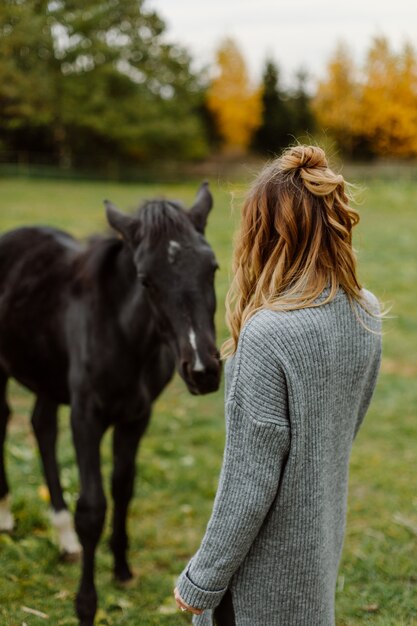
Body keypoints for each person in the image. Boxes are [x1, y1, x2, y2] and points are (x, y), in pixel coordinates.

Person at [173, 145, 382, 626]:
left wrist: (201, 579)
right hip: (318, 551)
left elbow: (249, 482)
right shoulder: (364, 310)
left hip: (259, 584)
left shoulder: (269, 335)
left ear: (266, 233)